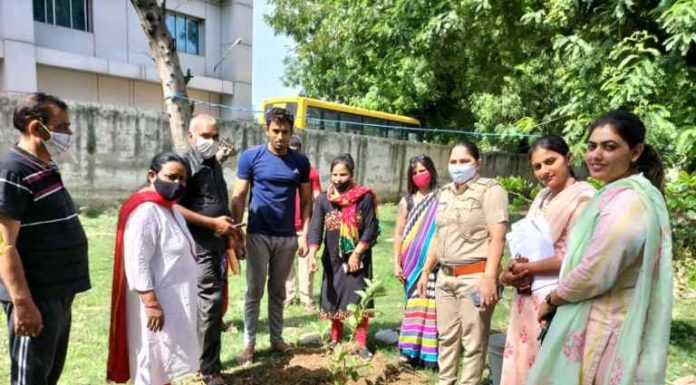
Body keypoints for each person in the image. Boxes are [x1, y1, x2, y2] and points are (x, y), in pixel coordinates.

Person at [527, 110, 672, 385]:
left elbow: (595, 271)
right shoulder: (617, 194)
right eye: (592, 146)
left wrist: (552, 300)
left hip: (606, 326)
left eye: (610, 147)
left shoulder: (628, 202)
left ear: (635, 151)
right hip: (598, 319)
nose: (596, 155)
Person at [0, 92, 90, 385]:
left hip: (59, 293)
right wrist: (23, 303)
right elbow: (5, 245)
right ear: (36, 127)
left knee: (48, 373)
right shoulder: (12, 170)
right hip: (35, 296)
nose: (68, 134)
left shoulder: (45, 164)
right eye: (62, 126)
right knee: (31, 378)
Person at [499, 135, 596, 385]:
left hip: (556, 299)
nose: (544, 171)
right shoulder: (543, 197)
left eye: (550, 161)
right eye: (537, 166)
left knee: (547, 369)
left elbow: (575, 257)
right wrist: (512, 270)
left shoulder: (584, 198)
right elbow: (527, 244)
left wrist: (527, 268)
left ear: (568, 158)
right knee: (522, 364)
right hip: (526, 295)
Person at [417, 141, 509, 385]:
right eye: (453, 162)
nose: (458, 167)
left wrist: (489, 278)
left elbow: (497, 236)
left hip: (475, 277)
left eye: (464, 161)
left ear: (478, 163)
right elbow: (438, 235)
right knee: (446, 337)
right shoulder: (445, 192)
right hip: (445, 277)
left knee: (474, 342)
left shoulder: (490, 190)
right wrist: (426, 270)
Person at [107, 152, 199, 385]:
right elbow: (137, 260)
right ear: (152, 175)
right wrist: (151, 304)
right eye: (171, 177)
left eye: (182, 179)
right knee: (151, 359)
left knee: (164, 362)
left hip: (173, 300)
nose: (178, 184)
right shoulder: (146, 211)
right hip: (154, 304)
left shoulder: (171, 209)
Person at [231, 107, 313, 364]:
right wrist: (237, 233)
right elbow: (239, 196)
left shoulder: (300, 162)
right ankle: (249, 343)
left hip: (287, 236)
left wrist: (304, 234)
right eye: (275, 131)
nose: (280, 137)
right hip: (257, 233)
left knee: (278, 291)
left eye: (285, 132)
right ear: (266, 130)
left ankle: (276, 338)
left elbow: (308, 201)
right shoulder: (250, 158)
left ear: (292, 132)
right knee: (254, 291)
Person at [176, 115, 236, 385]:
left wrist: (232, 233)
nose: (211, 142)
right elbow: (172, 206)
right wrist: (212, 223)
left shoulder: (214, 165)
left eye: (215, 136)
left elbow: (218, 203)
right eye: (205, 136)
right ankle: (209, 370)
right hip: (197, 248)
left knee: (212, 307)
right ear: (191, 137)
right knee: (209, 306)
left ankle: (204, 363)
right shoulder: (183, 165)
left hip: (217, 246)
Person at [306, 153, 379, 361]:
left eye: (343, 174)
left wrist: (357, 254)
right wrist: (312, 254)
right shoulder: (323, 199)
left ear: (352, 174)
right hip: (332, 259)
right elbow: (315, 227)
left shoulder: (364, 197)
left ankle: (360, 344)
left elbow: (370, 228)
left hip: (359, 257)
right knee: (334, 297)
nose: (338, 179)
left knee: (359, 298)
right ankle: (335, 339)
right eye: (334, 175)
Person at [393, 154, 440, 368]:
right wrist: (396, 262)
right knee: (412, 304)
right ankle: (408, 350)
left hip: (433, 262)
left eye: (422, 170)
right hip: (410, 262)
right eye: (414, 172)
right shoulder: (407, 201)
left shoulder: (441, 197)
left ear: (431, 171)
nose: (419, 175)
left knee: (430, 305)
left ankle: (428, 354)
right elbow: (399, 234)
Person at [285, 135, 322, 311]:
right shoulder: (281, 170)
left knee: (306, 264)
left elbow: (316, 197)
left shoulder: (310, 171)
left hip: (305, 226)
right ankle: (289, 296)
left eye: (295, 150)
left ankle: (307, 298)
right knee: (286, 264)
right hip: (286, 226)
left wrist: (319, 219)